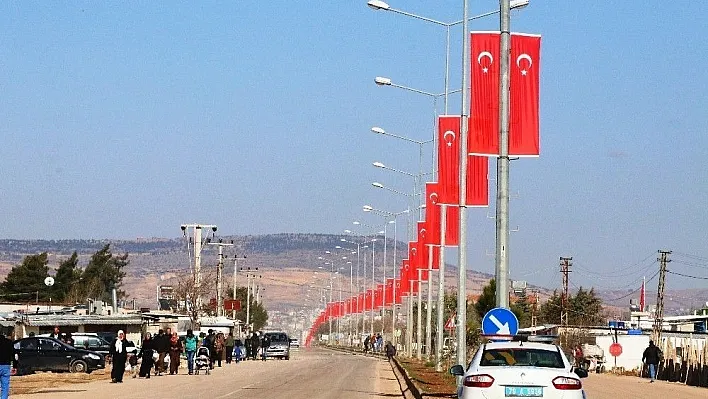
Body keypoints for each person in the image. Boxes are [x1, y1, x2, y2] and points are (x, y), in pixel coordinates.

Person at [0, 330, 16, 399]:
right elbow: (14, 355)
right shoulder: (9, 342)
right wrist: (15, 366)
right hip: (6, 366)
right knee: (5, 386)